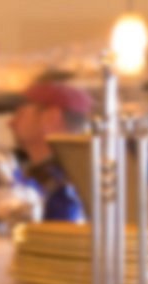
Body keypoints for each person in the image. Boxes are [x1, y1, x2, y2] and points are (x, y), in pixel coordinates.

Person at [7, 76, 89, 224]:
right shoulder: (37, 175)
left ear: (51, 118)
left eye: (20, 114)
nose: (10, 123)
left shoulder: (63, 187)